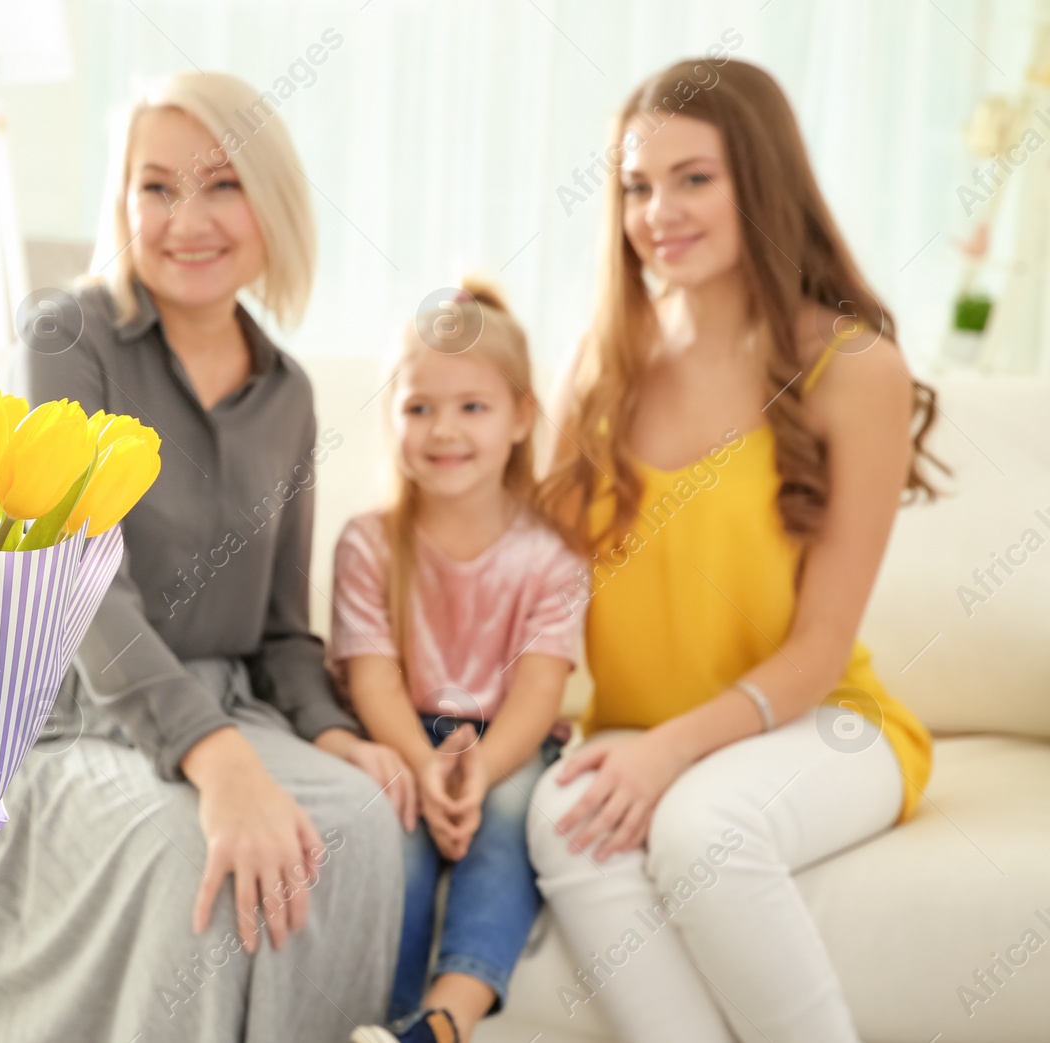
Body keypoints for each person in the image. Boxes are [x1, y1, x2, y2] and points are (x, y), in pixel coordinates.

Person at [0, 71, 406, 1041]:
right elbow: (83, 589)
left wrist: (335, 734)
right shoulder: (68, 335)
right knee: (188, 851)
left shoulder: (287, 394)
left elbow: (285, 630)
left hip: (232, 700)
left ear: (271, 203)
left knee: (363, 824)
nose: (186, 218)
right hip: (79, 715)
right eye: (155, 186)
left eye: (221, 185)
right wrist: (219, 762)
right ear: (121, 204)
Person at [527, 58, 941, 1042]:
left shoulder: (852, 366)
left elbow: (815, 648)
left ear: (758, 180)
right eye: (635, 184)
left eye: (692, 178)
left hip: (820, 723)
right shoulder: (602, 363)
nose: (655, 209)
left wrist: (665, 753)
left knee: (702, 831)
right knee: (560, 817)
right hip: (634, 729)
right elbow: (533, 587)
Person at [334, 279, 584, 1043]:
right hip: (404, 731)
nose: (444, 429)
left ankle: (444, 1022)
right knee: (392, 824)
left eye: (472, 406)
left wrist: (478, 769)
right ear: (392, 419)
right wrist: (420, 761)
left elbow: (540, 690)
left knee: (508, 818)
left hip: (508, 737)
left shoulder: (552, 556)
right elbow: (370, 674)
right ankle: (386, 1016)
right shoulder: (369, 544)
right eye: (419, 407)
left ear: (520, 418)